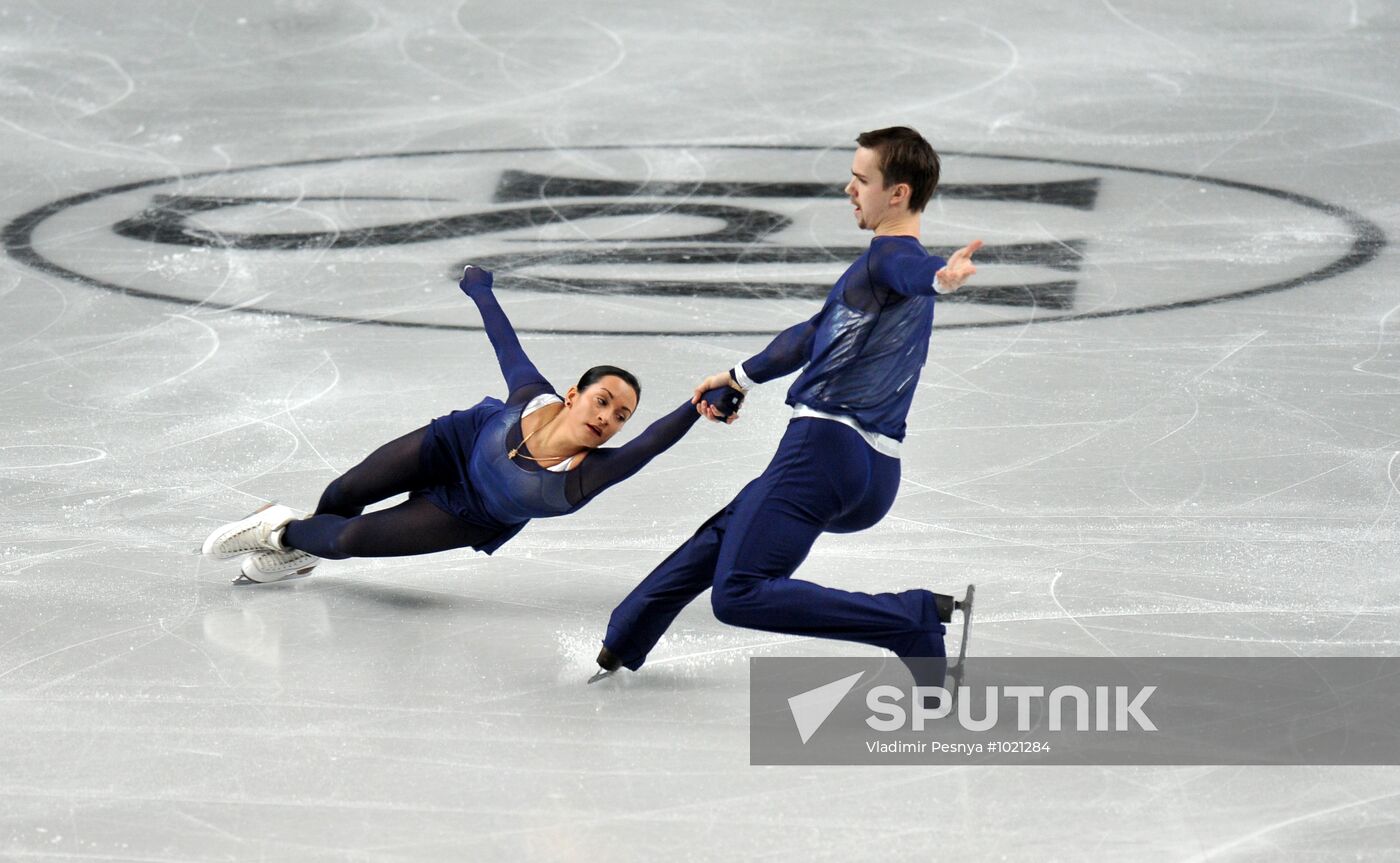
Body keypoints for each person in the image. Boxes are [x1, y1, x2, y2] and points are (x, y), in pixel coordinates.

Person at [591, 126, 979, 686]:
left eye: (862, 178)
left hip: (822, 453)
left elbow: (914, 273)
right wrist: (739, 377)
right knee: (727, 533)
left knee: (739, 593)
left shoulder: (891, 262)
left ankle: (911, 620)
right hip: (872, 473)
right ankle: (625, 637)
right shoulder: (874, 278)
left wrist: (940, 280)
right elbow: (810, 335)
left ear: (897, 193)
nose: (850, 188)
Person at [202, 265, 744, 584]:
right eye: (602, 401)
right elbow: (506, 344)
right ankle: (302, 551)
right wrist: (479, 289)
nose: (608, 419)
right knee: (346, 489)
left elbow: (654, 443)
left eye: (620, 415)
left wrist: (699, 405)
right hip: (452, 445)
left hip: (469, 512)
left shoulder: (589, 473)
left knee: (346, 538)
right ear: (574, 395)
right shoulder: (533, 398)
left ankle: (282, 531)